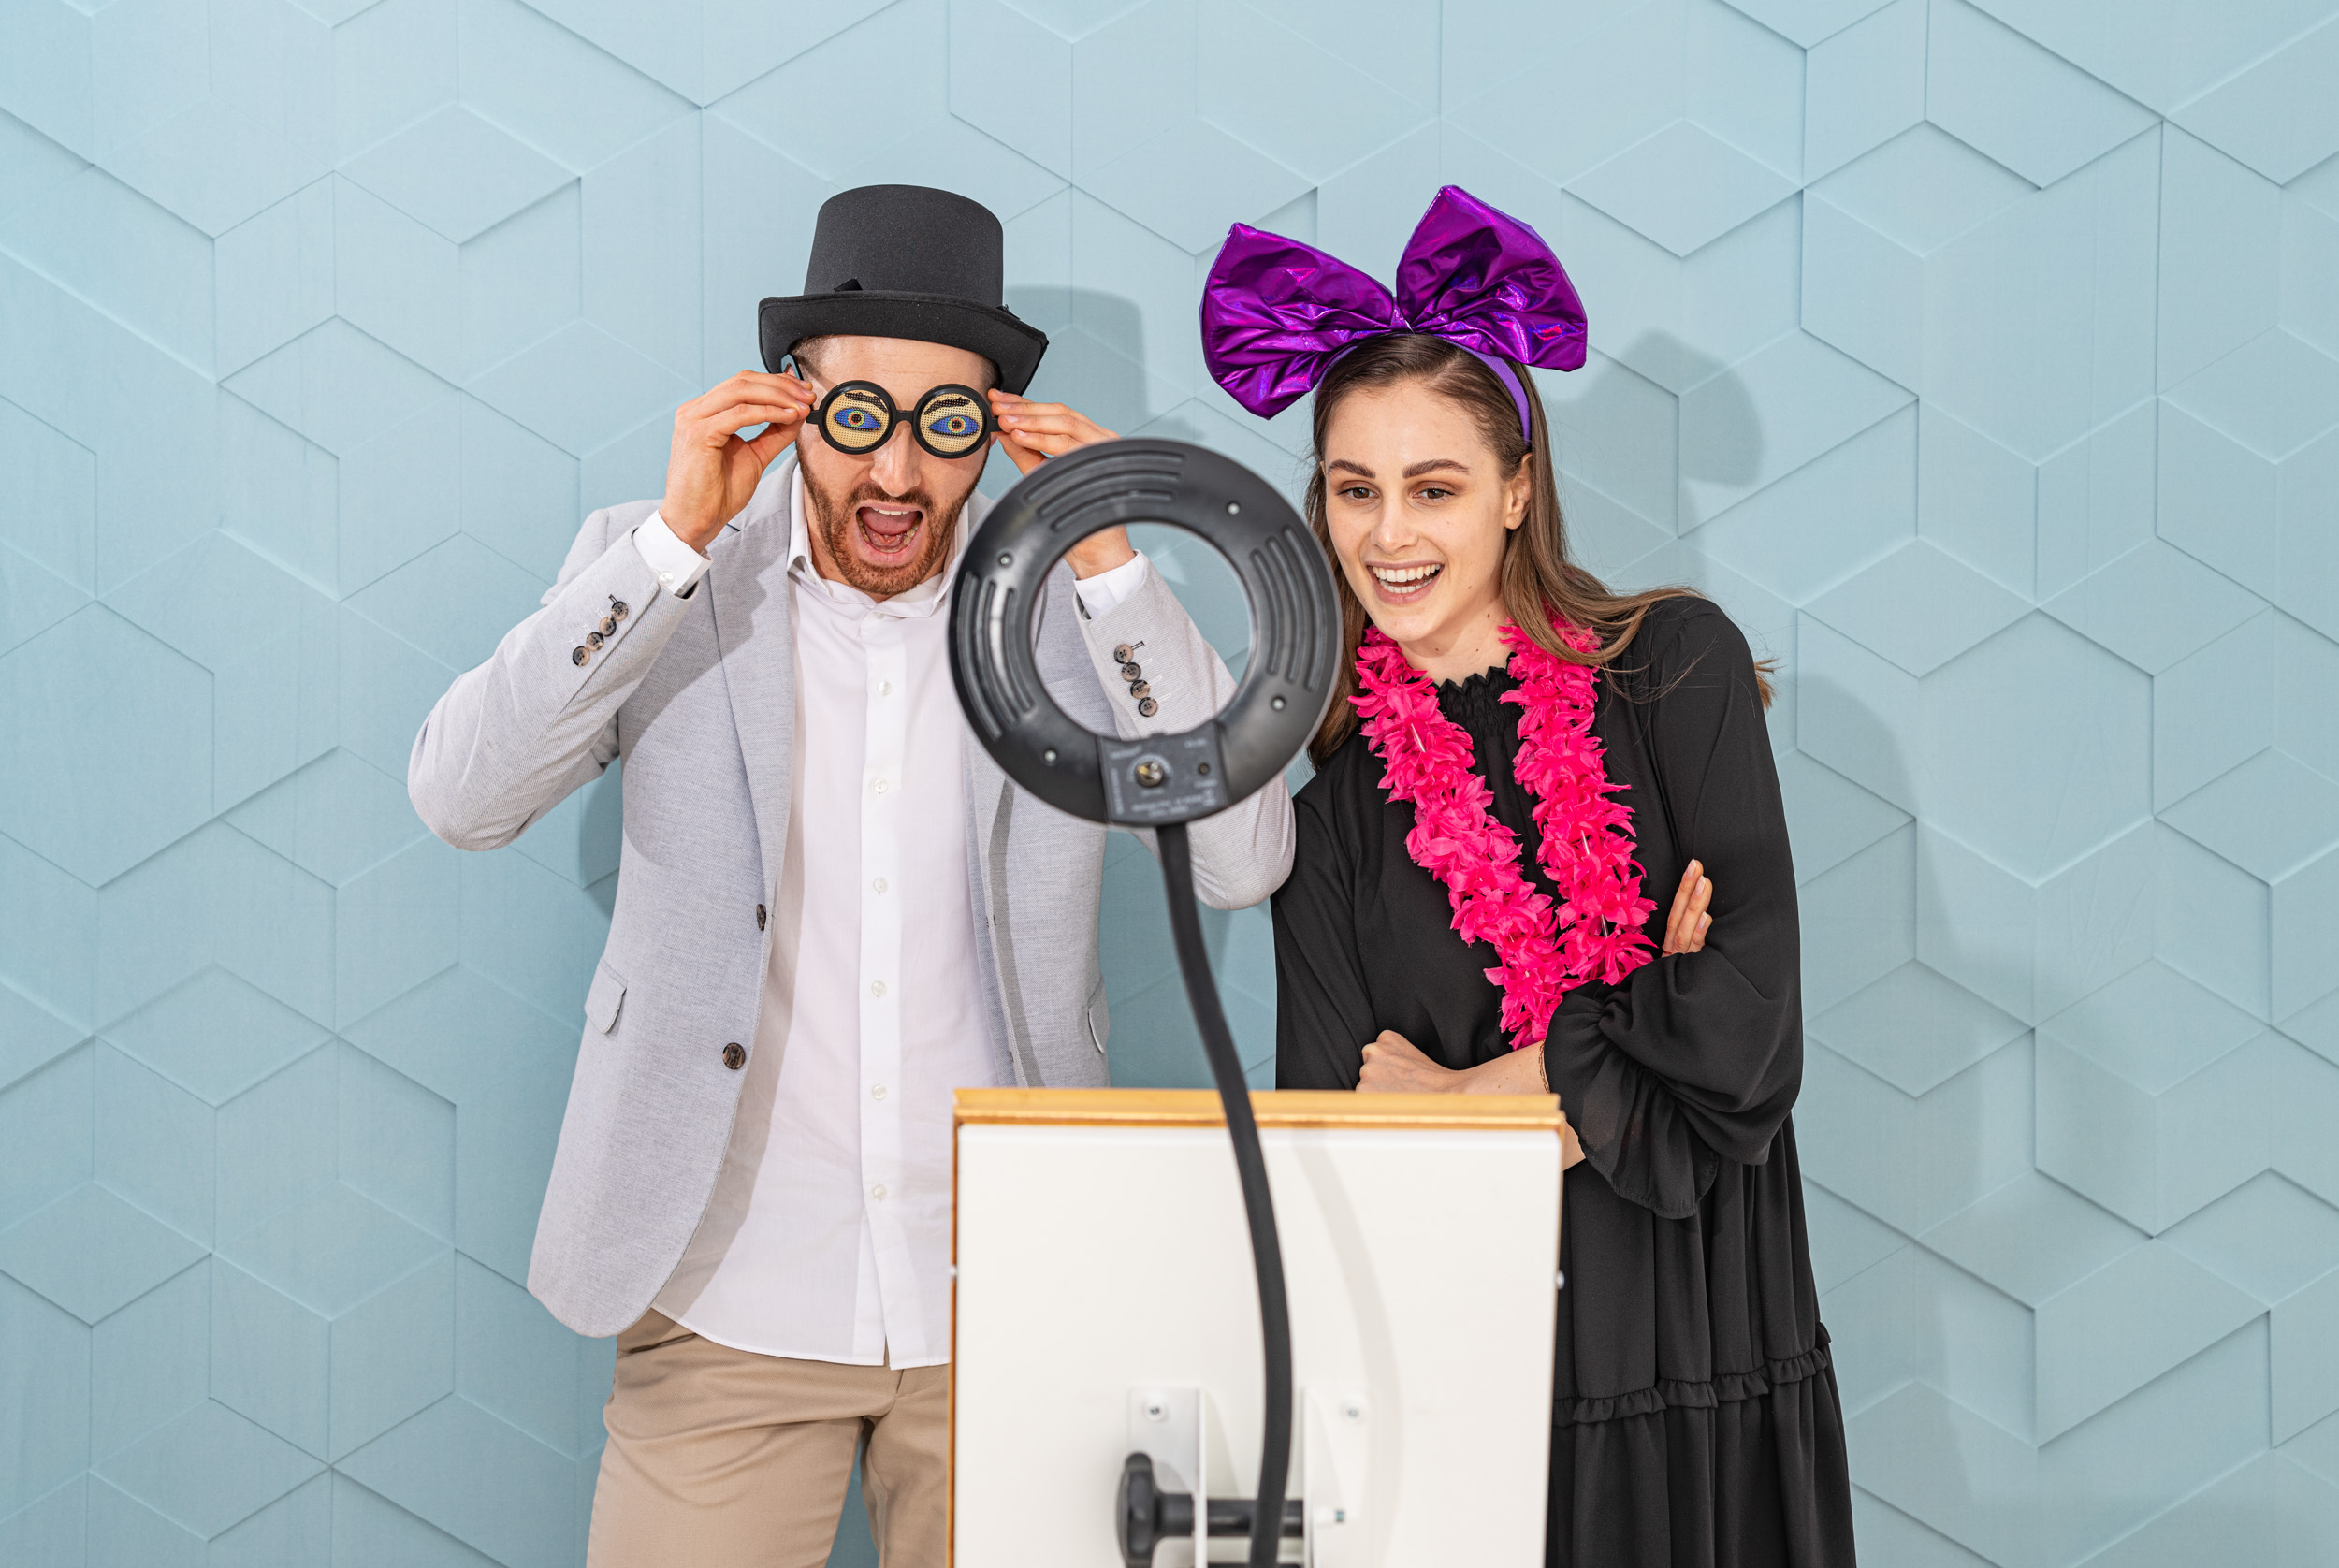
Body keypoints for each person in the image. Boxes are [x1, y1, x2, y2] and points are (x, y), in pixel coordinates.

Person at [409, 183, 1292, 1567]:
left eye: (945, 426)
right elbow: (462, 798)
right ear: (793, 402)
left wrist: (1114, 560)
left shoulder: (1072, 613)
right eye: (860, 417)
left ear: (992, 429)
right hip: (726, 1297)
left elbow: (1242, 858)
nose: (896, 476)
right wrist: (671, 543)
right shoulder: (662, 572)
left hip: (1010, 1306)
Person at [1203, 188, 1856, 1566]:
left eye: (1433, 487)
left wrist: (1466, 1099)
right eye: (1355, 489)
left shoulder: (1675, 670)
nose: (1390, 535)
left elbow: (1752, 1037)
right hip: (1477, 1376)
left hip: (1713, 1331)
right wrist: (1644, 1026)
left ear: (1515, 490)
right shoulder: (1332, 819)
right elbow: (1354, 1153)